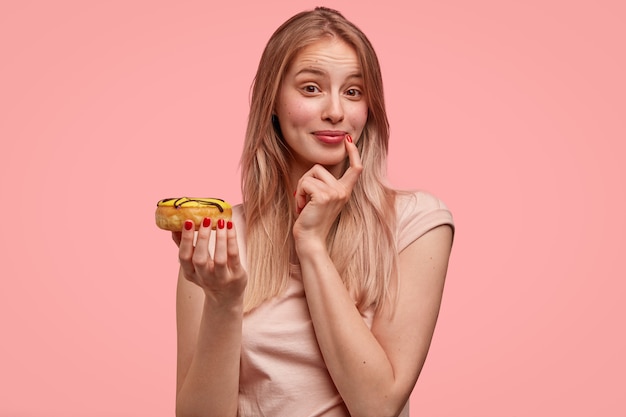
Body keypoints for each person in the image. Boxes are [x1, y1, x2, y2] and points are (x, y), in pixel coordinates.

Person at [172, 7, 454, 417]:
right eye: (311, 88)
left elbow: (378, 407)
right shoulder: (219, 239)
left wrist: (312, 246)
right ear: (272, 100)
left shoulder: (417, 223)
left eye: (354, 92)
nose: (336, 111)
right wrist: (223, 302)